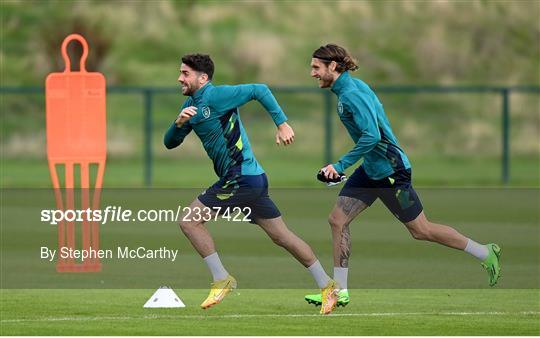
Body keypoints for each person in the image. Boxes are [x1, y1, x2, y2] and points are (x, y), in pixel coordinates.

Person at [304, 44, 502, 307]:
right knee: (337, 220)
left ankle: (484, 252)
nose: (312, 73)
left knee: (421, 230)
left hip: (391, 172)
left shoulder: (351, 94)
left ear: (333, 67)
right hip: (372, 169)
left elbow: (372, 135)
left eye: (316, 68)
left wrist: (340, 166)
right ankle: (339, 291)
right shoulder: (348, 90)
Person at [164, 53, 338, 314]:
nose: (180, 78)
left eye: (185, 73)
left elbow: (260, 89)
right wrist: (178, 125)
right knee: (282, 236)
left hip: (241, 177)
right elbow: (169, 143)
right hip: (250, 179)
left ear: (203, 78)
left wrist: (281, 123)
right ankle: (328, 286)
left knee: (189, 220)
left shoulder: (216, 96)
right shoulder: (191, 107)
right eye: (180, 72)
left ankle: (222, 279)